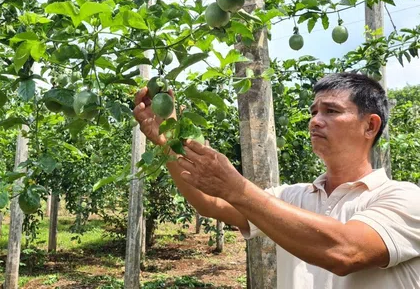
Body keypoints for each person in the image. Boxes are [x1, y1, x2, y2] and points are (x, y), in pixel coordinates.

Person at [133, 72, 420, 289]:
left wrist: (237, 187)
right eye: (314, 112)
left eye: (331, 111)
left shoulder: (405, 199)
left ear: (370, 125)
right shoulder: (294, 197)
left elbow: (346, 251)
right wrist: (169, 144)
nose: (315, 120)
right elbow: (211, 203)